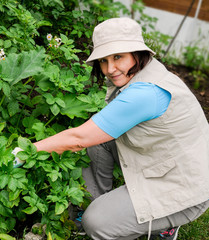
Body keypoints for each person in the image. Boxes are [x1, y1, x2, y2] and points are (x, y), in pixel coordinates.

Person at [13, 17, 209, 240]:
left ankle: (158, 226)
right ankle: (91, 205)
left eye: (118, 57)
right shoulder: (142, 73)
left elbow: (78, 138)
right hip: (166, 159)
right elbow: (92, 134)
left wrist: (23, 152)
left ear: (137, 52)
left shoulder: (144, 93)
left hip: (186, 186)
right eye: (104, 60)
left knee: (98, 222)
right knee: (100, 138)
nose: (110, 68)